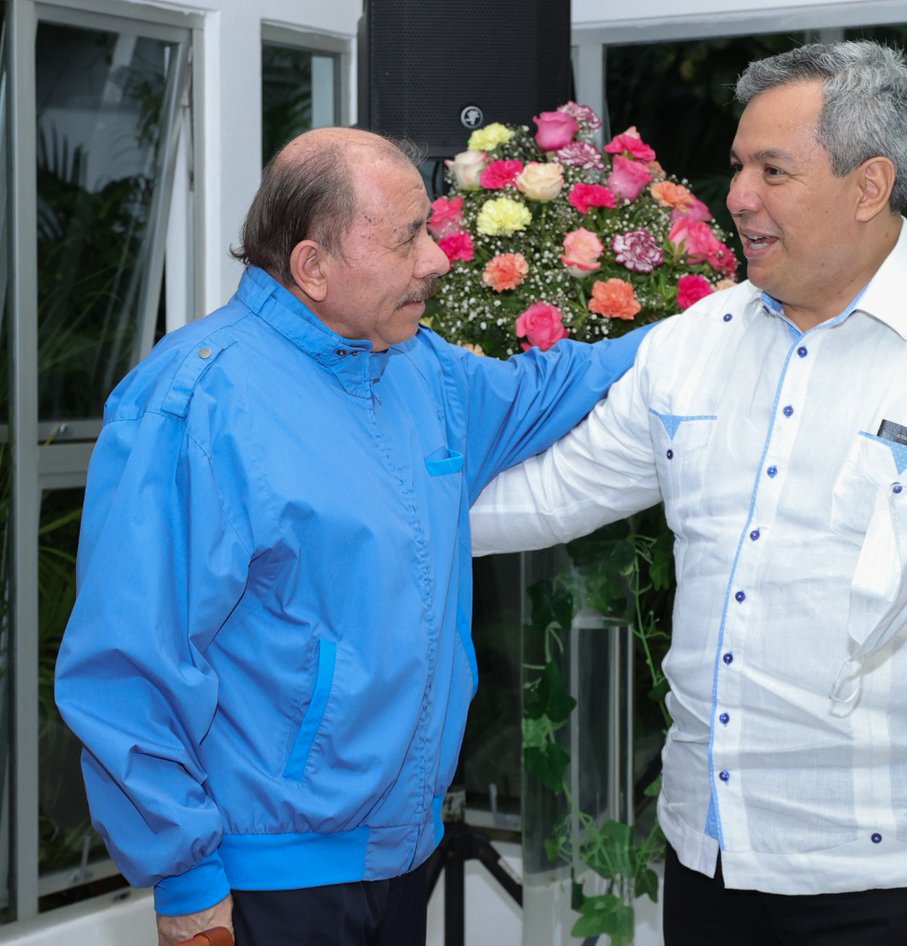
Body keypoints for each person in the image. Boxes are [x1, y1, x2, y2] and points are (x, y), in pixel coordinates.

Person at [470, 41, 907, 945]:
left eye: (773, 170)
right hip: (709, 860)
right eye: (738, 166)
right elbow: (554, 493)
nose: (739, 196)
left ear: (870, 185)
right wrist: (360, 515)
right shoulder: (694, 343)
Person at [54, 126, 651, 946]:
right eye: (409, 237)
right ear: (312, 267)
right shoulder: (196, 401)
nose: (438, 260)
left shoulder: (421, 369)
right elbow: (128, 662)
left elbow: (551, 386)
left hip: (404, 859)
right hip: (265, 882)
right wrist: (186, 877)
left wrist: (713, 333)